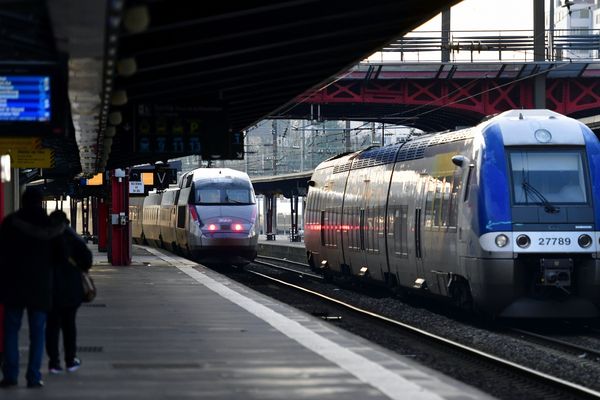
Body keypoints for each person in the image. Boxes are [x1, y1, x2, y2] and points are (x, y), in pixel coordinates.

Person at [0, 187, 64, 388]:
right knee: (37, 333)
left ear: (22, 201)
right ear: (40, 202)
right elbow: (60, 257)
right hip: (41, 287)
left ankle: (10, 375)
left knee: (11, 331)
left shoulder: (10, 222)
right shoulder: (50, 224)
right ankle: (33, 376)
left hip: (13, 286)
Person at [45, 210, 92, 374]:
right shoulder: (73, 238)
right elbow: (87, 260)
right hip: (71, 290)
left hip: (50, 290)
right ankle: (70, 361)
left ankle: (53, 363)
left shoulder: (45, 238)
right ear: (66, 222)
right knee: (69, 326)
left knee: (52, 327)